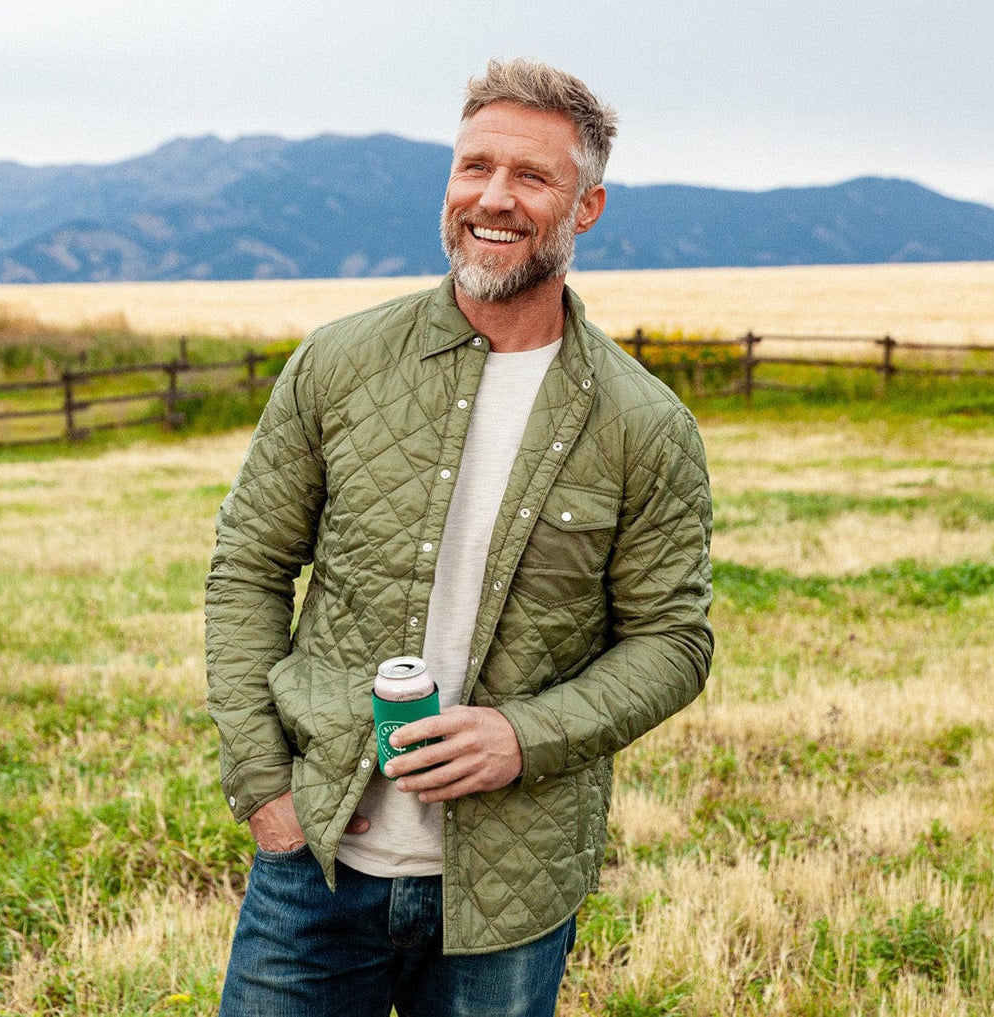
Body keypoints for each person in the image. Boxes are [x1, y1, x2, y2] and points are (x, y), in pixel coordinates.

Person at [206, 57, 714, 1017]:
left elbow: (674, 642)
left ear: (587, 207)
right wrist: (263, 784)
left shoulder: (643, 423)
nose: (494, 197)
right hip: (315, 858)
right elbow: (248, 570)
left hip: (511, 889)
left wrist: (524, 735)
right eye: (474, 166)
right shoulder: (339, 362)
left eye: (532, 176)